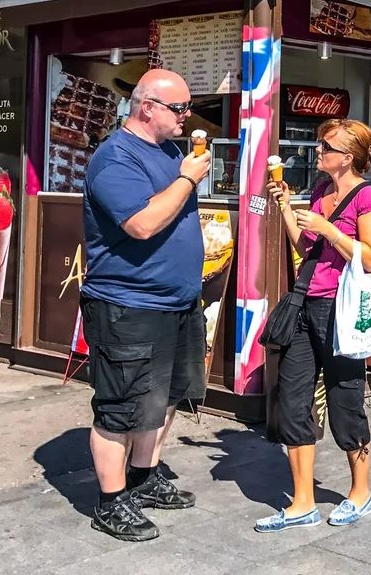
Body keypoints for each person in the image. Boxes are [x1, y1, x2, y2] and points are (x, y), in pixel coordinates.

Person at [79, 70, 211, 542]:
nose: (187, 117)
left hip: (177, 302)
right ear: (147, 107)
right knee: (120, 406)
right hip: (128, 305)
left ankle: (143, 477)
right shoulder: (115, 157)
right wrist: (186, 179)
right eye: (179, 109)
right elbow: (141, 224)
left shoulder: (172, 152)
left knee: (168, 396)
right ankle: (110, 503)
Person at [259, 118, 371, 532]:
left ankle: (360, 493)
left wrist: (330, 228)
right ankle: (302, 502)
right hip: (304, 303)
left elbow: (370, 257)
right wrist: (285, 208)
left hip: (340, 310)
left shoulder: (368, 197)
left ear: (346, 157)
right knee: (293, 401)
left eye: (325, 147)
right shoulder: (319, 191)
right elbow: (304, 249)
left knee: (345, 402)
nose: (317, 151)